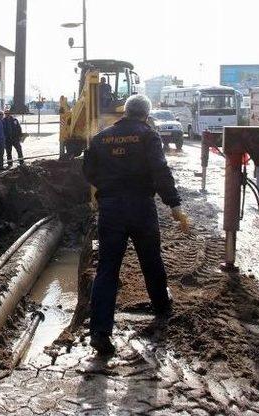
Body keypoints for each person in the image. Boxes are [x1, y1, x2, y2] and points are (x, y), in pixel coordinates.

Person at [82, 94, 190, 355]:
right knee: (151, 261)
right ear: (146, 113)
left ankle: (99, 332)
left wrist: (106, 188)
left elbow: (87, 170)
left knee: (108, 268)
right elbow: (160, 171)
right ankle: (162, 308)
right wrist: (174, 204)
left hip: (110, 209)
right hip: (141, 207)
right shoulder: (148, 135)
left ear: (126, 111)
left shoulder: (101, 137)